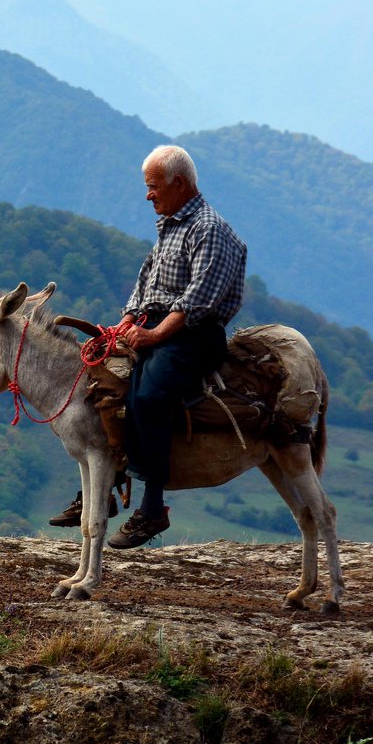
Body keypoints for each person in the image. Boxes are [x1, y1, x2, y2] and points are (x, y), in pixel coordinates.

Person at [103, 144, 247, 548]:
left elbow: (196, 301)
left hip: (194, 335)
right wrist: (129, 319)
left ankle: (152, 508)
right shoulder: (171, 224)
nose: (148, 195)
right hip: (158, 325)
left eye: (153, 186)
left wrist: (152, 336)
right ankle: (103, 487)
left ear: (179, 184)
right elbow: (146, 279)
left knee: (149, 397)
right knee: (104, 385)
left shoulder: (210, 229)